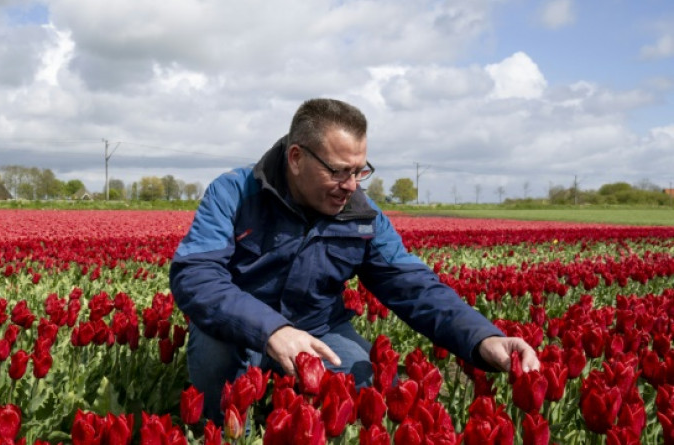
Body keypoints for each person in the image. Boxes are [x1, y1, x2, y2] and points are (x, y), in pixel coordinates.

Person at [169, 98, 540, 422]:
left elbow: (412, 284)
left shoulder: (361, 214)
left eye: (359, 170)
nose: (351, 185)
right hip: (239, 328)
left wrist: (484, 338)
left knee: (380, 396)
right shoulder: (235, 192)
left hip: (319, 331)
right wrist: (271, 331)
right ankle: (226, 429)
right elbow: (196, 275)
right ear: (296, 158)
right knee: (218, 358)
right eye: (338, 171)